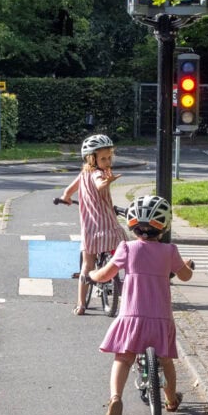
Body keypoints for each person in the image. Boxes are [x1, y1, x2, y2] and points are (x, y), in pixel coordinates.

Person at [88, 194, 194, 415]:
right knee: (165, 361)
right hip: (161, 319)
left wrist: (91, 275)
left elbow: (105, 274)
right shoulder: (170, 251)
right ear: (164, 227)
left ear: (132, 225)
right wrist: (188, 266)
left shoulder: (126, 248)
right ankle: (171, 399)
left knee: (123, 359)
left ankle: (116, 397)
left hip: (131, 316)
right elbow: (185, 276)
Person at [60, 134, 126, 315]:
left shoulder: (84, 174)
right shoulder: (98, 174)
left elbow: (68, 190)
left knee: (87, 266)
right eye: (103, 158)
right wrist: (106, 182)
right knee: (120, 257)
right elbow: (98, 185)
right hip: (108, 226)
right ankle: (124, 287)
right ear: (92, 158)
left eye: (109, 157)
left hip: (90, 229)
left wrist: (65, 198)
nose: (107, 161)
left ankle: (81, 304)